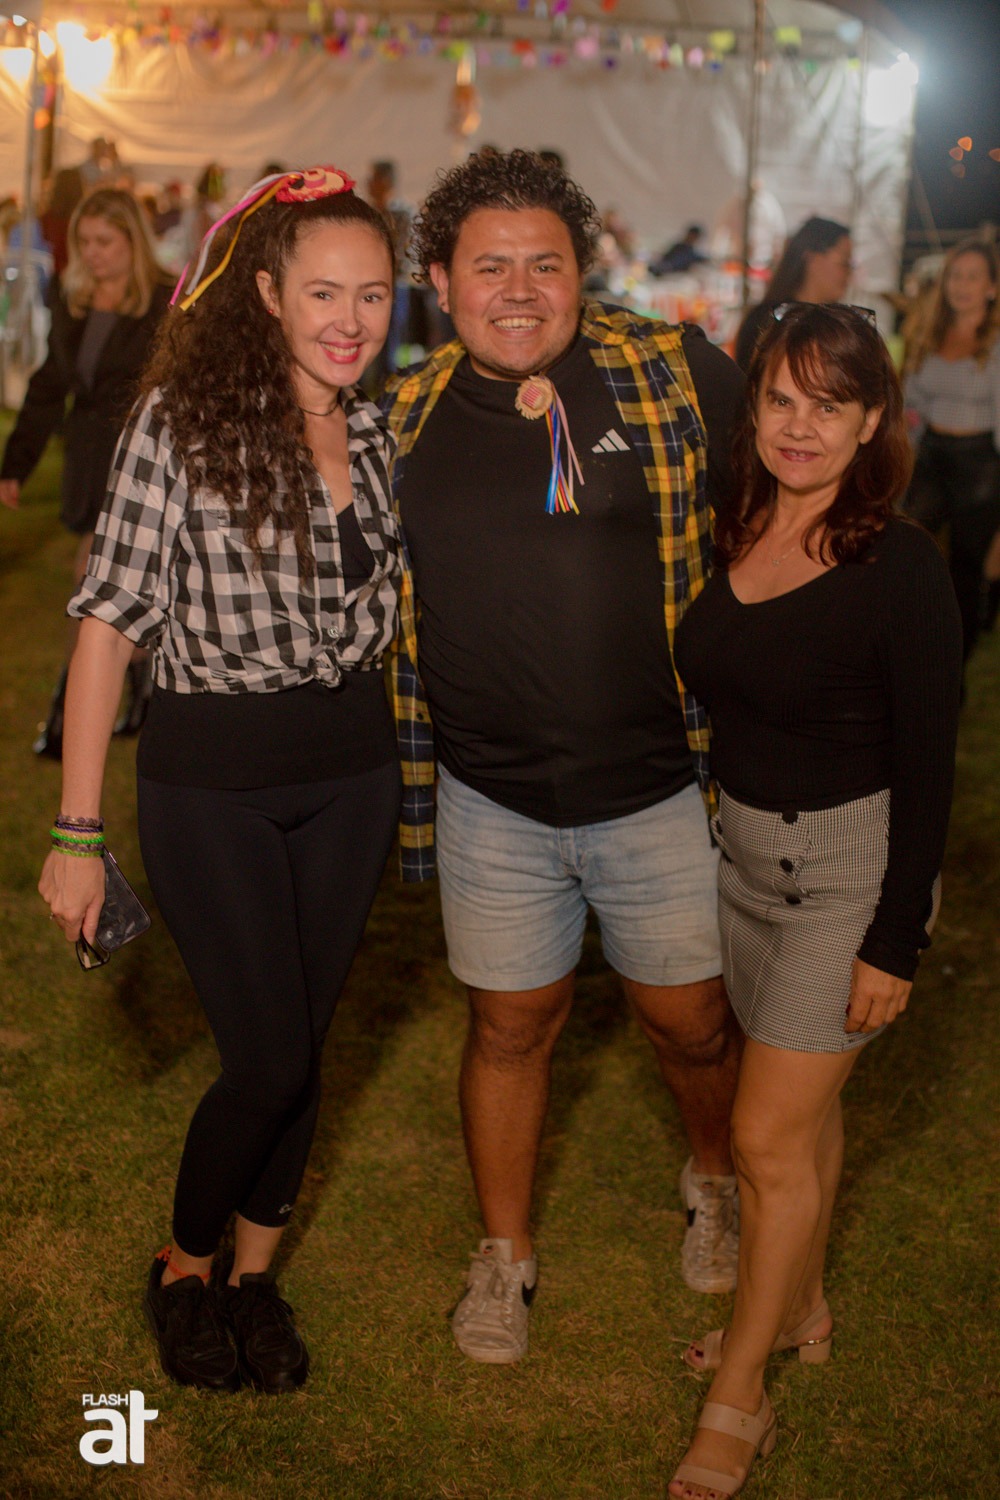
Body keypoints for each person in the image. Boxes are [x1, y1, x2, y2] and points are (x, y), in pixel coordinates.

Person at [38, 166, 402, 1395]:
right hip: (213, 782)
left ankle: (254, 1277)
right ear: (266, 294)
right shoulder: (181, 422)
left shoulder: (378, 431)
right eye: (322, 292)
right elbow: (108, 623)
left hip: (352, 776)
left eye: (372, 294)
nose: (348, 320)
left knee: (305, 1039)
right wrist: (77, 834)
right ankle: (184, 1267)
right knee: (268, 1062)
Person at [382, 148, 746, 1365]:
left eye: (545, 263)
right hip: (487, 799)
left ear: (583, 270)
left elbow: (782, 503)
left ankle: (716, 1177)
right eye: (490, 266)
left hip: (659, 789)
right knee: (508, 1027)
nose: (520, 289)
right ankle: (504, 1255)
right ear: (441, 281)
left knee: (692, 1024)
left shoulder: (673, 372)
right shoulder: (401, 419)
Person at [670, 303, 962, 1498]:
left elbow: (931, 767)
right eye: (780, 400)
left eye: (828, 407)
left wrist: (893, 940)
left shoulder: (902, 567)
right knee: (805, 1121)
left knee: (761, 1140)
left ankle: (739, 1397)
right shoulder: (737, 521)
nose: (799, 427)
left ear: (872, 420)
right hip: (743, 866)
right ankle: (799, 1309)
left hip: (847, 876)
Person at [0, 188, 173, 756]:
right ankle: (142, 688)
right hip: (89, 460)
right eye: (85, 242)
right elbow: (50, 384)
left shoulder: (165, 301)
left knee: (93, 588)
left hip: (143, 463)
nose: (92, 253)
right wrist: (17, 464)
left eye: (105, 241)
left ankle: (65, 716)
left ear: (133, 242)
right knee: (118, 591)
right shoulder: (71, 297)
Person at [901, 237, 1000, 671]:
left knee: (965, 569)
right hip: (931, 457)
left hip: (979, 464)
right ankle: (908, 647)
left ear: (991, 288)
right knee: (907, 549)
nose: (961, 285)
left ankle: (953, 669)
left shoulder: (996, 346)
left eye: (972, 277)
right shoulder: (929, 333)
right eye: (955, 275)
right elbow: (912, 406)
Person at [733, 217, 852, 372]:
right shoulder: (768, 321)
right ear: (813, 259)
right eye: (844, 263)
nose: (849, 274)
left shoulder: (836, 325)